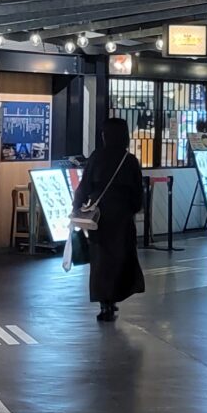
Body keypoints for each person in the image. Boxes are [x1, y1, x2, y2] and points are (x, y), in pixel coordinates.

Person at [73, 116, 144, 323]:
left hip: (99, 218)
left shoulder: (96, 157)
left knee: (100, 261)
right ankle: (114, 298)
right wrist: (132, 209)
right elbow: (138, 194)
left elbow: (85, 186)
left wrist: (77, 207)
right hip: (122, 218)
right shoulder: (129, 161)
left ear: (105, 136)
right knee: (121, 259)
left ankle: (104, 303)